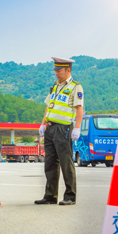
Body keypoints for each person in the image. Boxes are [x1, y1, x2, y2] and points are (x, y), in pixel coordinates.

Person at [35, 57, 84, 206]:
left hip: (63, 128)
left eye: (59, 70)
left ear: (68, 70)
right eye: (55, 70)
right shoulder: (55, 86)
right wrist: (43, 124)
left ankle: (70, 196)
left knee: (66, 162)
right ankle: (50, 196)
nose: (56, 73)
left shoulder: (75, 87)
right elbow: (48, 106)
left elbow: (79, 108)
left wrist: (77, 128)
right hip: (50, 127)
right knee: (49, 163)